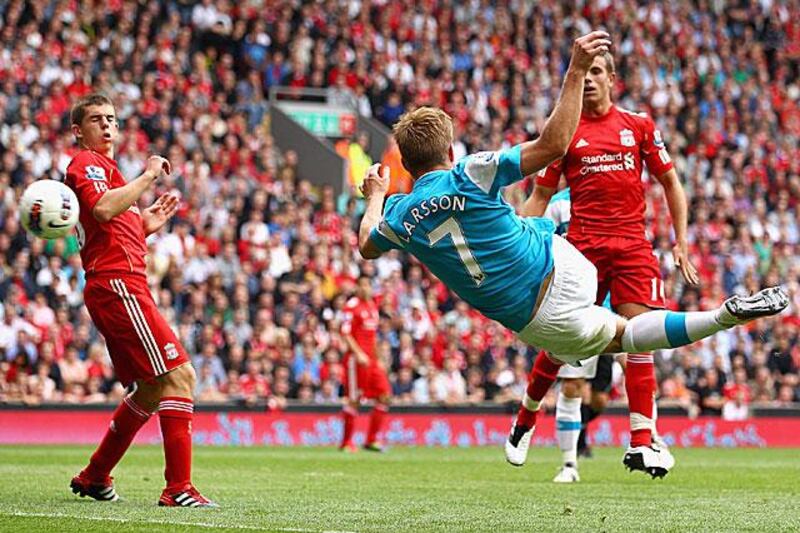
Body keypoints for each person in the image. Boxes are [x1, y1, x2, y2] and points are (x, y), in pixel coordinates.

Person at [355, 33, 788, 478]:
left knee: (623, 339)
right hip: (567, 264)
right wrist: (575, 69)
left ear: (406, 165)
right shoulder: (470, 171)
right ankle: (720, 319)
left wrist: (375, 196)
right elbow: (551, 147)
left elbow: (367, 245)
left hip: (536, 318)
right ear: (449, 151)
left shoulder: (399, 216)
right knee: (631, 331)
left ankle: (699, 346)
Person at [525, 51, 695, 478]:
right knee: (564, 354)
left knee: (642, 337)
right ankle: (537, 429)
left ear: (612, 78)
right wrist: (521, 248)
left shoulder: (637, 125)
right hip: (584, 255)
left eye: (595, 72)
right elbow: (539, 199)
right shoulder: (563, 135)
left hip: (631, 248)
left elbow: (671, 182)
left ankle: (642, 439)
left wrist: (682, 242)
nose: (588, 80)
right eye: (582, 73)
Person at [65, 93, 216, 507]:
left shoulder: (110, 171)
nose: (107, 125)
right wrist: (149, 175)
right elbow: (100, 210)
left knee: (150, 389)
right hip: (119, 284)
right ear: (79, 131)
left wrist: (145, 223)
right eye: (96, 120)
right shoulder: (87, 164)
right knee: (180, 376)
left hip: (119, 283)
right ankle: (178, 488)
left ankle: (95, 475)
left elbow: (110, 223)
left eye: (111, 119)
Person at [340, 274, 391, 452]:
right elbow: (345, 333)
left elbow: (373, 336)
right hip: (357, 360)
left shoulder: (372, 307)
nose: (364, 289)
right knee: (354, 400)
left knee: (384, 395)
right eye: (361, 285)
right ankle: (346, 443)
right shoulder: (351, 306)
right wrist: (359, 354)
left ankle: (371, 440)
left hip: (372, 360)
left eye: (367, 285)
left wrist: (379, 359)